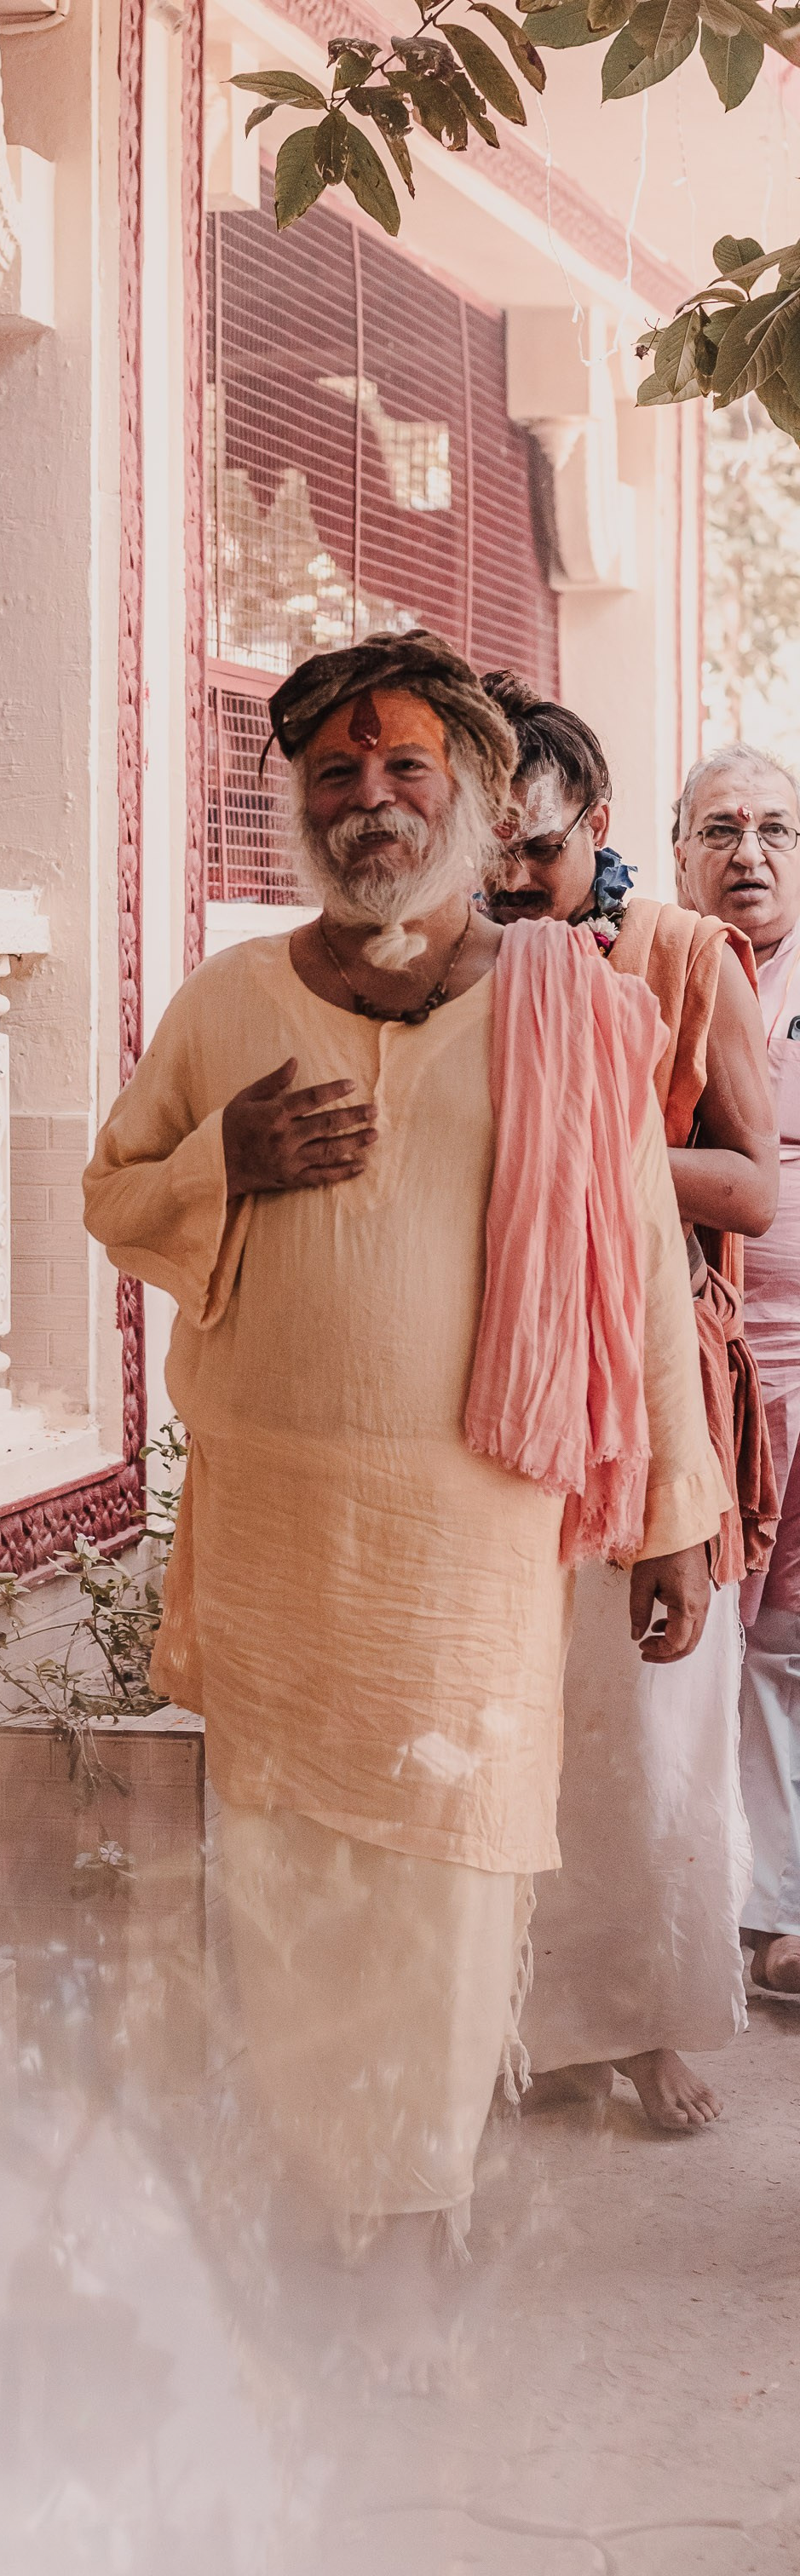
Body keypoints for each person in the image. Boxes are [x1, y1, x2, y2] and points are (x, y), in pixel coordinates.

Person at [82, 630, 722, 2378]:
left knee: (446, 1882)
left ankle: (420, 2212)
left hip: (467, 1531)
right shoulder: (227, 1006)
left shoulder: (571, 1005)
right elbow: (113, 1192)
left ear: (478, 797)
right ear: (298, 803)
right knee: (289, 1876)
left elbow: (638, 1275)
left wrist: (677, 1505)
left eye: (405, 771)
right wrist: (234, 1161)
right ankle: (303, 2205)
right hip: (282, 1525)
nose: (369, 802)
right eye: (334, 775)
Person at [480, 675, 778, 2131]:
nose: (507, 881)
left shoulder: (678, 958)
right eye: (485, 848)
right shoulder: (442, 962)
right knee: (536, 1715)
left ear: (596, 831)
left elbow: (751, 1187)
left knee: (658, 1728)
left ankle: (656, 2027)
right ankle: (539, 2026)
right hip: (495, 1392)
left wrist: (593, 1138)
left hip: (658, 1391)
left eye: (533, 849)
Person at [674, 745, 800, 1998]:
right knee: (692, 1637)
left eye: (774, 830)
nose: (749, 853)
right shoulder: (648, 973)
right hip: (696, 1362)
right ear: (677, 856)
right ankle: (681, 1919)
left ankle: (781, 1911)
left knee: (793, 1644)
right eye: (721, 829)